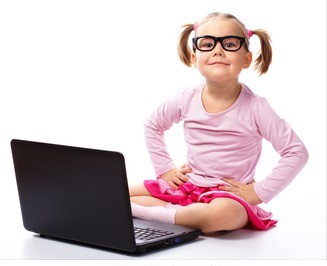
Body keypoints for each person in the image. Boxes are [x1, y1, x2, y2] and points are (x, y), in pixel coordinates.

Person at [129, 12, 309, 233]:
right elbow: (152, 125)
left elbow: (296, 152)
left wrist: (259, 192)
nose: (218, 50)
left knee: (224, 215)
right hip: (188, 184)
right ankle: (178, 212)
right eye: (207, 44)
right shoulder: (186, 98)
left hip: (228, 194)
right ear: (194, 58)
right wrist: (165, 169)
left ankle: (154, 212)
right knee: (119, 190)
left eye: (230, 44)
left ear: (246, 59)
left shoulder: (256, 107)